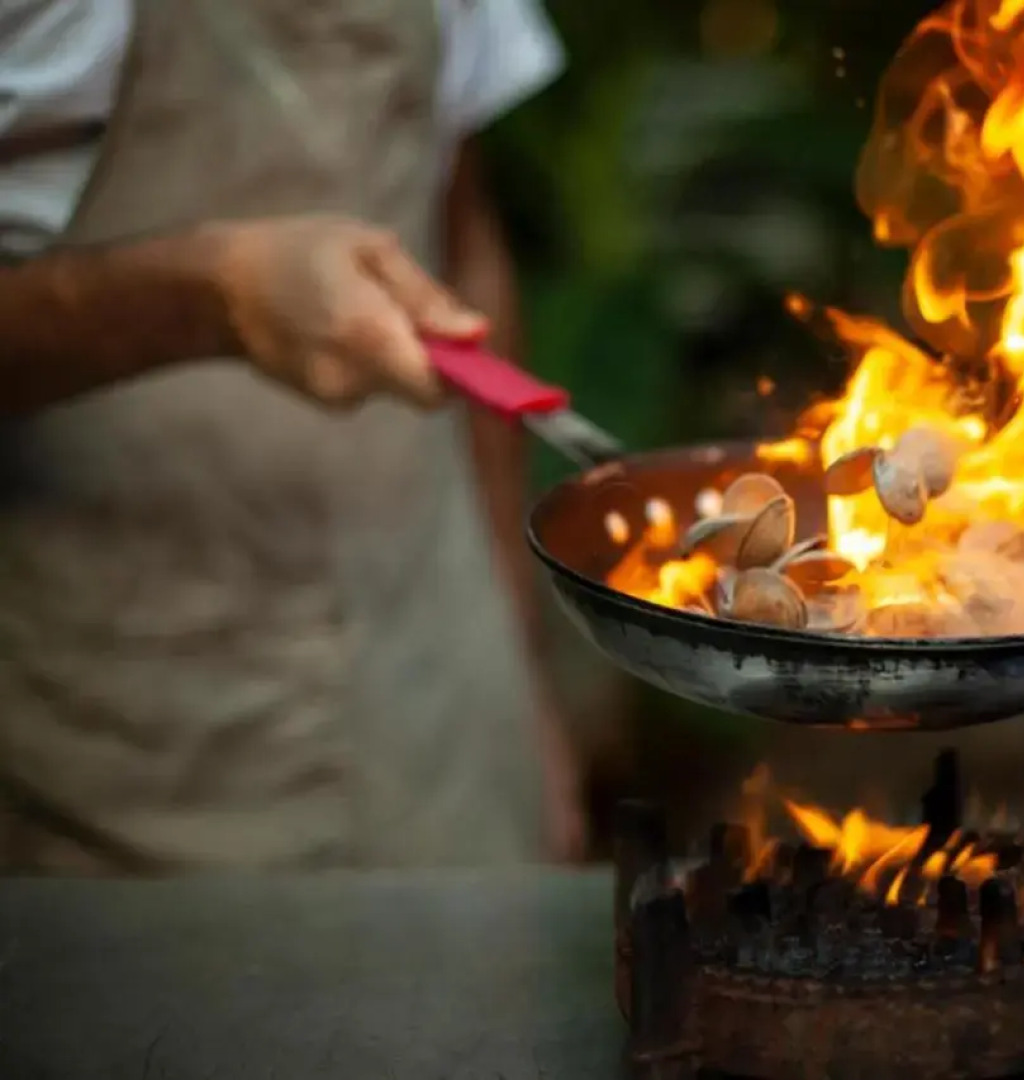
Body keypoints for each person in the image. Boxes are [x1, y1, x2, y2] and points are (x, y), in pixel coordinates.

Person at [0, 0, 585, 872]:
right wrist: (213, 296)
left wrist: (519, 670)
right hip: (135, 743)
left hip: (441, 695)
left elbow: (464, 232)